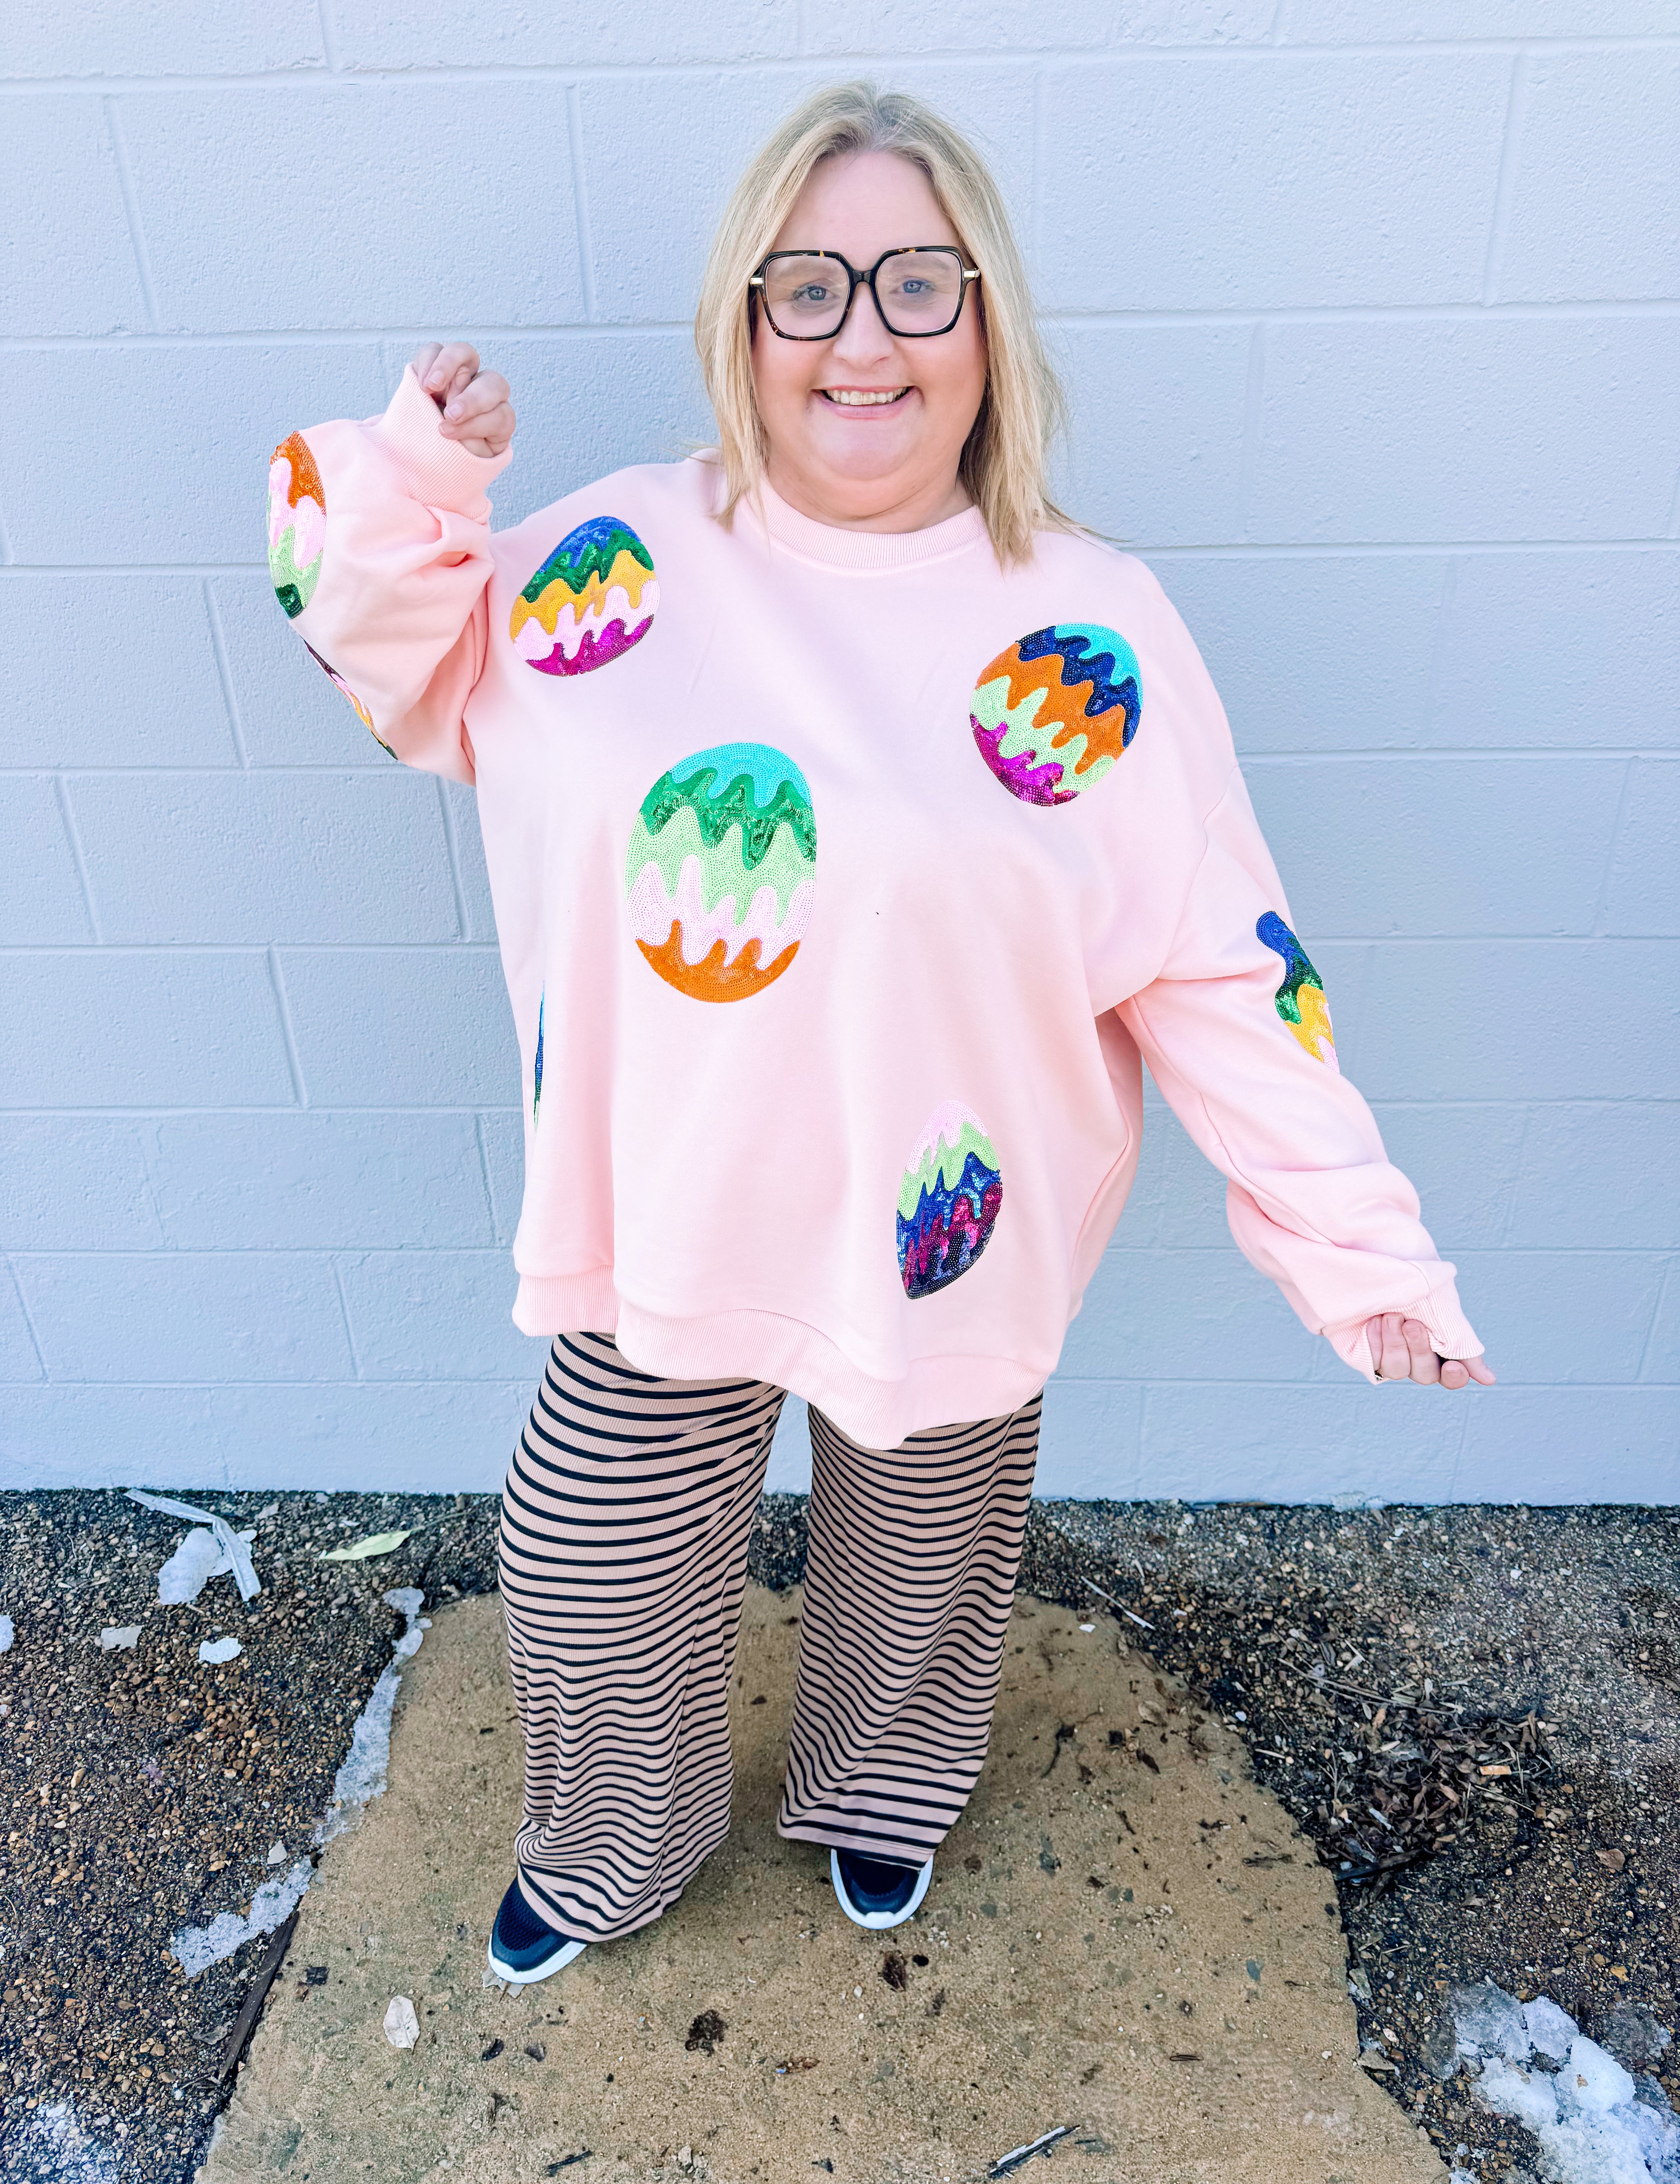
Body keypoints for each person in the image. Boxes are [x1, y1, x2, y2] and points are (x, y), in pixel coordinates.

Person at [263, 82, 1494, 1988]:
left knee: (923, 1560)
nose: (863, 336)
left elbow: (1225, 965)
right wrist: (418, 480)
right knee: (588, 1560)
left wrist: (1363, 1253)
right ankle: (613, 1843)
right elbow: (379, 645)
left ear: (987, 321)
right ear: (745, 323)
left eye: (919, 283)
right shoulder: (613, 559)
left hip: (951, 1228)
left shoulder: (1097, 624)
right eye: (809, 284)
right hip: (673, 1209)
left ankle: (879, 1789)